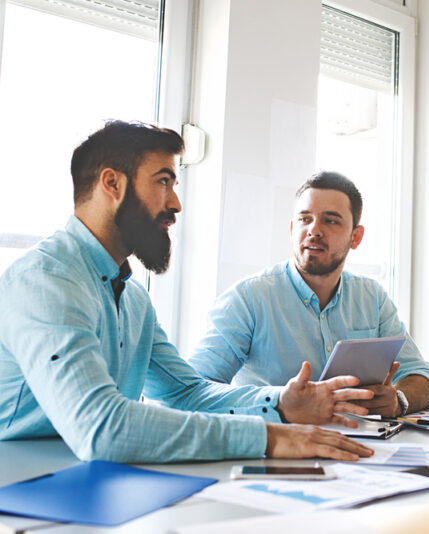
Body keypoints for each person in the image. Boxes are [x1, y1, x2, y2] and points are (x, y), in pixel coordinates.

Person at [0, 121, 374, 463]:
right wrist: (264, 437)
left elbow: (187, 393)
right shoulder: (44, 281)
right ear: (112, 184)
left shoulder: (132, 299)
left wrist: (280, 403)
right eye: (163, 181)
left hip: (88, 485)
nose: (176, 203)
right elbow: (102, 427)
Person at [189, 171, 429, 417]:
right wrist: (279, 403)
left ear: (356, 237)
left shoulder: (372, 298)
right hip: (275, 448)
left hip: (359, 448)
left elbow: (423, 377)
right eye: (304, 219)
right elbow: (192, 390)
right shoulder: (247, 299)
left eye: (330, 220)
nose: (314, 230)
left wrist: (398, 400)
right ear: (291, 228)